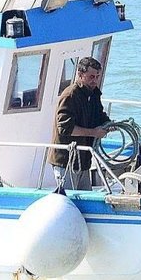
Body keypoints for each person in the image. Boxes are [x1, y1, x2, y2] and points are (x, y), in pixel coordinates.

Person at [50, 56, 114, 191]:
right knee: (68, 198)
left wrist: (108, 124)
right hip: (66, 161)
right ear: (80, 74)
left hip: (84, 161)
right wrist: (94, 133)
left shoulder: (93, 94)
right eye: (91, 77)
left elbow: (99, 115)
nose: (94, 80)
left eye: (97, 76)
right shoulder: (70, 95)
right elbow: (65, 128)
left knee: (85, 197)